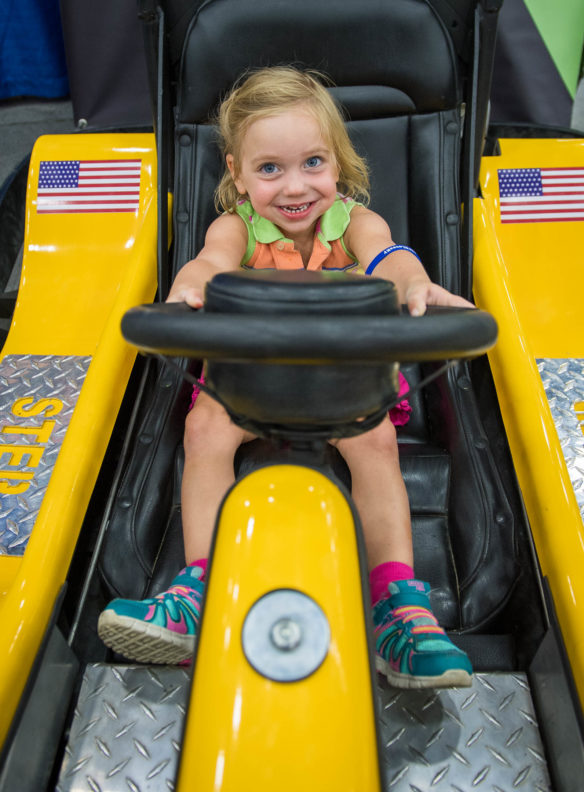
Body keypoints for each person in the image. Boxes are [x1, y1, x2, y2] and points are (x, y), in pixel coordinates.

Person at [98, 66, 474, 688]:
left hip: (344, 381)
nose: (294, 186)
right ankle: (199, 589)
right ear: (237, 174)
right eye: (269, 169)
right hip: (247, 381)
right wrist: (189, 290)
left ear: (338, 163)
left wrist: (414, 283)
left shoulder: (354, 221)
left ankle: (400, 606)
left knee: (376, 441)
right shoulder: (235, 228)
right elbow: (207, 265)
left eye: (313, 163)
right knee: (203, 429)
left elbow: (390, 255)